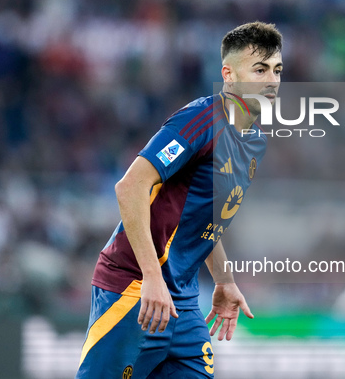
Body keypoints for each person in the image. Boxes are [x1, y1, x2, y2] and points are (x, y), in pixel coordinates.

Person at [76, 21, 283, 378]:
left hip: (182, 302)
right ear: (228, 75)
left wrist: (224, 280)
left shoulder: (255, 141)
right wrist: (152, 278)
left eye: (277, 70)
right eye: (260, 69)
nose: (272, 80)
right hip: (134, 288)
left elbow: (206, 220)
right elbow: (130, 187)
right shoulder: (202, 118)